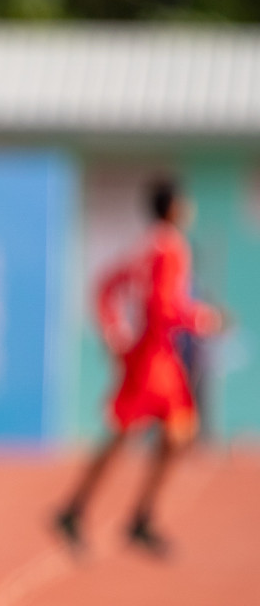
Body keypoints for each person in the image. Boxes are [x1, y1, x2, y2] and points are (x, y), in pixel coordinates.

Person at [56, 179, 222, 556]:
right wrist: (201, 319)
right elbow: (164, 306)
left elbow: (107, 285)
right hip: (154, 357)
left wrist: (115, 335)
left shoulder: (146, 245)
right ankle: (83, 509)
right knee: (128, 432)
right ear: (174, 207)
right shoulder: (170, 248)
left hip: (154, 354)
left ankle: (131, 515)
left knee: (174, 432)